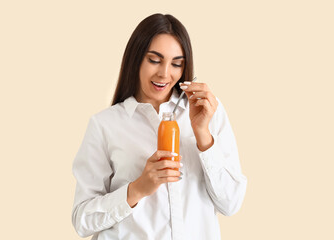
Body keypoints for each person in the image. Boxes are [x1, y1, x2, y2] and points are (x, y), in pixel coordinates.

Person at [71, 13, 247, 240]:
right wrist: (137, 189)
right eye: (154, 60)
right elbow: (82, 221)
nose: (165, 73)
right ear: (136, 59)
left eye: (176, 63)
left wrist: (203, 135)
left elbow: (231, 204)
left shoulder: (208, 111)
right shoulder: (105, 125)